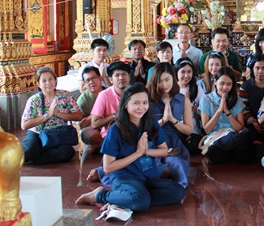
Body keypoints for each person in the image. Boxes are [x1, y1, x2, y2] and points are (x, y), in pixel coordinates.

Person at [75, 83, 185, 211]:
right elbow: (108, 168)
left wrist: (146, 151)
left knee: (178, 192)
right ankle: (100, 195)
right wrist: (138, 153)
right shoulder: (115, 130)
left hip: (148, 176)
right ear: (126, 105)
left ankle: (123, 199)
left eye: (145, 103)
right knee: (140, 200)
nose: (141, 107)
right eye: (136, 103)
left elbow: (164, 150)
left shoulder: (151, 123)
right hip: (124, 178)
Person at [21, 67, 82, 165]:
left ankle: (36, 158)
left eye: (50, 79)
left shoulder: (65, 95)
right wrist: (48, 115)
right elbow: (24, 125)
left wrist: (58, 114)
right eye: (44, 81)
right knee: (28, 151)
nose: (48, 83)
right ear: (38, 84)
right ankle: (36, 154)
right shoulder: (34, 100)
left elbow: (78, 116)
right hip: (38, 133)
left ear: (55, 80)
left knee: (67, 152)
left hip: (58, 133)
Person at [148, 63, 193, 187]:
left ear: (173, 79)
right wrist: (163, 121)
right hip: (154, 142)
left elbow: (189, 130)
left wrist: (173, 120)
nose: (164, 84)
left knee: (175, 165)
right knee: (153, 167)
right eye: (160, 81)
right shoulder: (148, 100)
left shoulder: (183, 99)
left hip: (174, 144)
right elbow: (145, 130)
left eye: (167, 80)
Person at [199, 67, 254, 164]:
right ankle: (231, 152)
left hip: (233, 135)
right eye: (222, 83)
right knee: (215, 153)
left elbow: (239, 128)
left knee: (243, 151)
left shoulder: (237, 100)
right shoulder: (206, 100)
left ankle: (231, 152)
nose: (225, 87)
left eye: (229, 84)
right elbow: (207, 129)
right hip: (216, 137)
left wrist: (227, 112)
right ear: (215, 82)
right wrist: (219, 111)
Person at [239, 54, 264, 142]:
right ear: (252, 69)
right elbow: (244, 108)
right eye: (257, 68)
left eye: (263, 68)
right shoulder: (245, 86)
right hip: (251, 123)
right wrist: (253, 122)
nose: (260, 71)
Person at [90, 61, 131, 141]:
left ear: (129, 76)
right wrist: (115, 115)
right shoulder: (104, 95)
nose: (121, 78)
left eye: (124, 74)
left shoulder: (135, 93)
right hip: (111, 135)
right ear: (111, 79)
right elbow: (94, 123)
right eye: (117, 75)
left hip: (133, 132)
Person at [174, 58, 203, 154]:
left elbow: (205, 111)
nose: (186, 75)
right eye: (183, 72)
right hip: (176, 128)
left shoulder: (196, 89)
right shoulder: (171, 89)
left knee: (193, 148)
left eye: (189, 72)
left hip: (193, 130)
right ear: (176, 72)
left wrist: (191, 107)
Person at [79, 67, 105, 148]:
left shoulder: (110, 93)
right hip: (95, 128)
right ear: (84, 83)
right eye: (87, 80)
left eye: (94, 78)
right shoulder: (82, 100)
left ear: (100, 78)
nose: (91, 82)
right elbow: (81, 125)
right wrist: (98, 113)